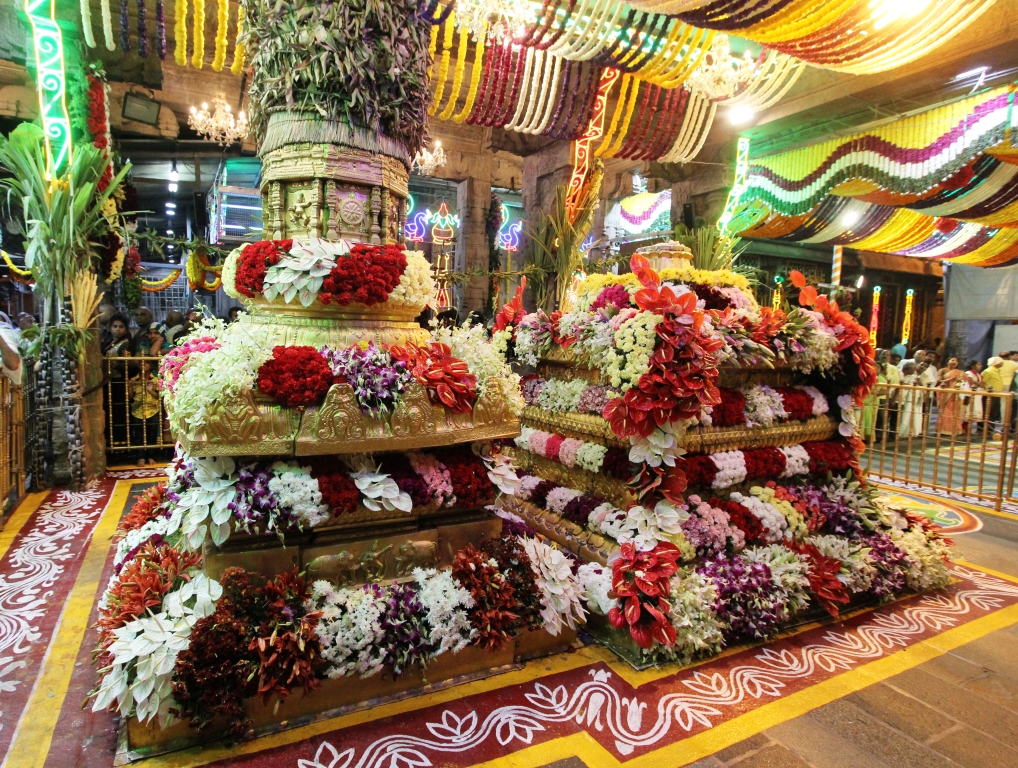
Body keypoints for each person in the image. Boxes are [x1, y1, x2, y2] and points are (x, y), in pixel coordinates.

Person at [128, 363, 162, 466]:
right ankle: (140, 457)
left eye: (146, 363)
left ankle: (151, 456)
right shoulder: (134, 379)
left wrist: (150, 391)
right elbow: (130, 397)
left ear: (150, 366)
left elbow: (158, 396)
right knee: (138, 435)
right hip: (138, 410)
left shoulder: (155, 379)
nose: (143, 365)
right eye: (141, 363)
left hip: (152, 410)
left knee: (151, 434)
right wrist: (130, 387)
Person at [936, 357, 964, 435]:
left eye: (956, 361)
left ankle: (953, 430)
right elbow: (939, 381)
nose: (954, 361)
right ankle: (943, 430)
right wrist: (950, 379)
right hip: (945, 393)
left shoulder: (959, 372)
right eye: (952, 360)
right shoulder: (942, 370)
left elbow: (962, 382)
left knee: (954, 411)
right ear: (948, 361)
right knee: (945, 411)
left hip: (954, 394)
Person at [899, 362, 925, 439]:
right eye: (913, 368)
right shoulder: (908, 377)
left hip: (916, 400)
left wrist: (920, 383)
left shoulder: (916, 377)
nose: (915, 370)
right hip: (909, 400)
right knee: (906, 418)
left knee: (916, 418)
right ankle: (903, 433)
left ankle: (913, 433)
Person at [982, 356, 1006, 436]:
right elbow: (982, 382)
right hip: (990, 394)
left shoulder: (998, 371)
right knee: (988, 411)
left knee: (994, 412)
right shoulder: (988, 371)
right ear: (996, 363)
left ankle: (991, 428)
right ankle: (985, 429)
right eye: (1001, 362)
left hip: (996, 394)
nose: (1002, 363)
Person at [961, 360, 984, 435]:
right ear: (973, 365)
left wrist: (980, 384)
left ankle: (969, 429)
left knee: (974, 411)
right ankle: (965, 428)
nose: (980, 366)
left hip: (977, 394)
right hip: (970, 394)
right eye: (979, 364)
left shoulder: (977, 373)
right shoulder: (968, 373)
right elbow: (971, 384)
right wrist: (979, 384)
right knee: (968, 411)